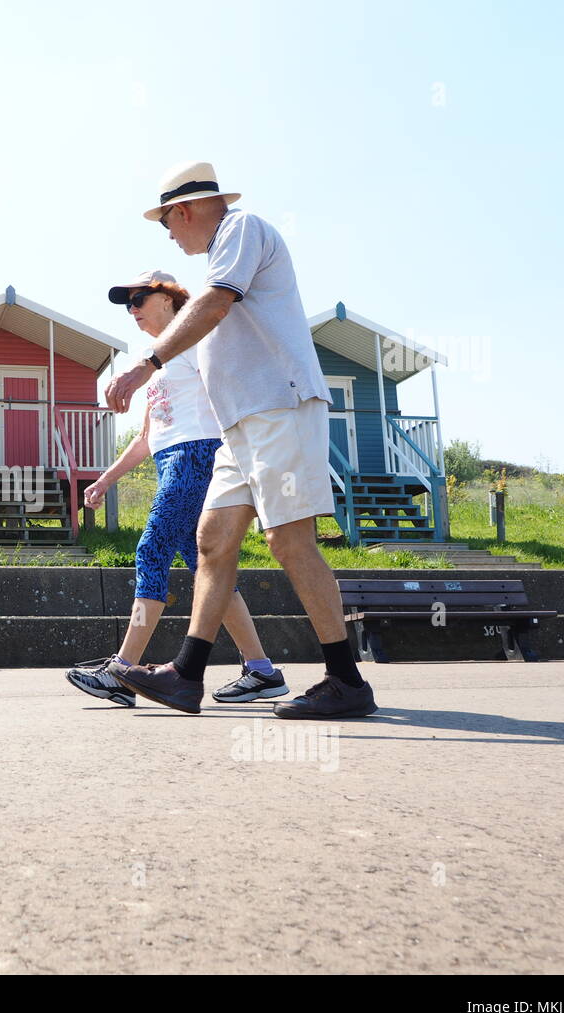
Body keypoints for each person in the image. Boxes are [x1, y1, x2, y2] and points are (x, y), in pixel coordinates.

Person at [104, 162, 378, 719]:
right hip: (239, 427)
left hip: (279, 405)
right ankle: (186, 674)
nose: (172, 236)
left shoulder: (241, 229)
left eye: (168, 224)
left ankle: (347, 681)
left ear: (183, 210)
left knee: (290, 541)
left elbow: (215, 304)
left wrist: (144, 367)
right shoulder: (217, 258)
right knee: (213, 539)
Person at [65, 270, 288, 708]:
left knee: (151, 550)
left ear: (169, 298)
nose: (132, 310)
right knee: (208, 568)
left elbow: (239, 380)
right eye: (126, 304)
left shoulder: (199, 340)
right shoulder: (158, 356)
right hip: (172, 458)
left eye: (138, 299)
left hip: (197, 455)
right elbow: (149, 436)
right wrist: (106, 479)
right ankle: (262, 670)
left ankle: (121, 670)